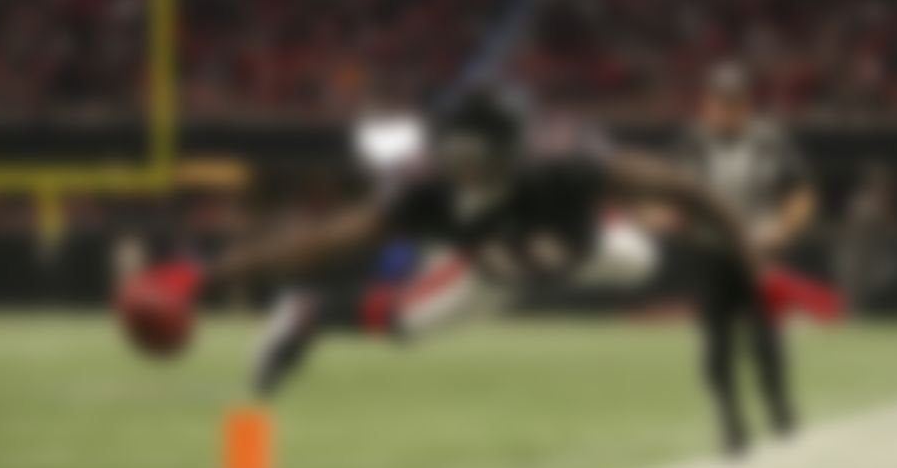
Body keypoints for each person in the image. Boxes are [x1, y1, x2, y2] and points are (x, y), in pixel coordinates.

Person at [121, 89, 759, 411]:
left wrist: (748, 257)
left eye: (473, 159)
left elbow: (689, 189)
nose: (457, 169)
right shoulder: (427, 190)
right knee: (407, 323)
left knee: (641, 259)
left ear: (510, 154)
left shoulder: (567, 165)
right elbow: (322, 241)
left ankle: (609, 228)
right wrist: (210, 274)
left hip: (578, 245)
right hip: (489, 269)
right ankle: (309, 314)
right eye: (452, 154)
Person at [673, 63, 818, 456]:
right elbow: (676, 201)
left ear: (745, 105)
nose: (723, 110)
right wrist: (665, 216)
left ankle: (779, 410)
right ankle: (730, 421)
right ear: (706, 104)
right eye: (718, 101)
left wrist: (783, 230)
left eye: (732, 102)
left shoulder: (770, 141)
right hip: (712, 253)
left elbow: (800, 194)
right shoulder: (692, 144)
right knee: (716, 346)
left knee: (766, 340)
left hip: (760, 254)